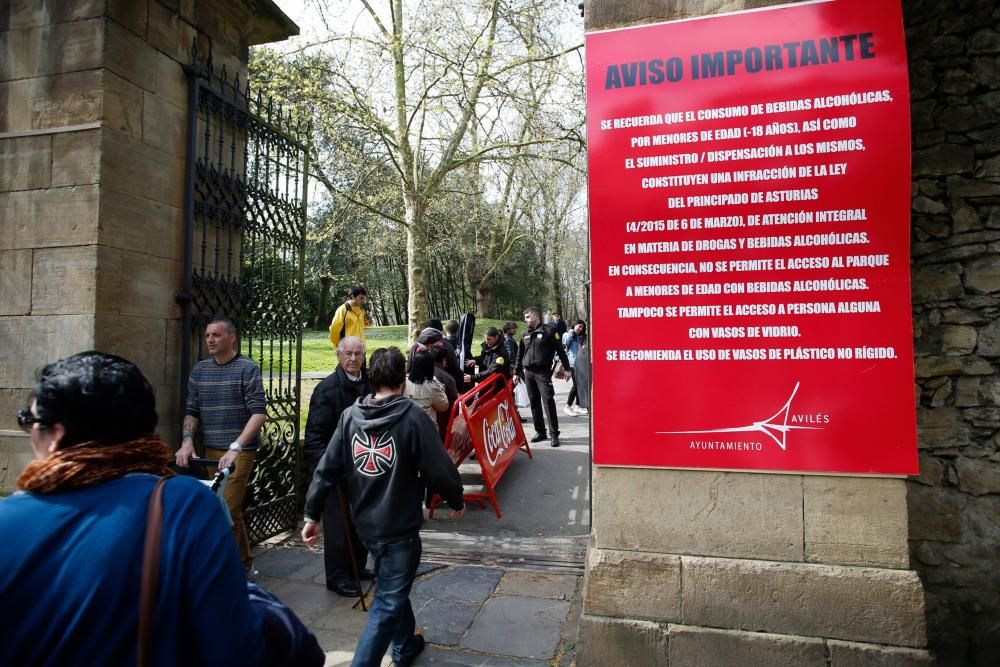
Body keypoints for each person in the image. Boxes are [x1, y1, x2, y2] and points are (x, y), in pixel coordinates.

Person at [0, 351, 322, 666]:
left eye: (29, 420)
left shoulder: (7, 524)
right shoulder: (184, 505)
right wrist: (247, 596)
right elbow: (241, 650)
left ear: (55, 435)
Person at [302, 347, 465, 667]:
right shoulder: (412, 417)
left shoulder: (350, 416)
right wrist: (456, 499)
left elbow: (326, 469)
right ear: (401, 382)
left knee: (392, 583)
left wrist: (311, 514)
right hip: (399, 528)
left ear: (371, 377)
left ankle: (404, 646)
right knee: (387, 602)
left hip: (365, 526)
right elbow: (440, 468)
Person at [176, 318, 266, 575]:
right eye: (207, 336)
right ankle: (245, 564)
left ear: (232, 338)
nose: (210, 340)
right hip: (210, 452)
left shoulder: (247, 368)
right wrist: (186, 441)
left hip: (239, 452)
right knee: (229, 510)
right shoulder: (200, 371)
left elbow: (258, 413)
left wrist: (236, 447)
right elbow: (191, 410)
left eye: (216, 335)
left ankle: (226, 574)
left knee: (225, 509)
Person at [304, 336, 371, 596]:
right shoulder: (327, 389)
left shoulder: (369, 385)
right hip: (336, 469)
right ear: (339, 356)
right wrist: (328, 470)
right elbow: (315, 437)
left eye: (358, 354)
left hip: (363, 468)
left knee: (361, 522)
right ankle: (337, 576)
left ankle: (357, 567)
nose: (353, 359)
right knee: (338, 527)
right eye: (348, 354)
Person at [515, 307, 571, 447]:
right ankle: (540, 431)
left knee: (548, 401)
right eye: (525, 317)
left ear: (536, 316)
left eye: (527, 316)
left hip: (543, 372)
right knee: (534, 403)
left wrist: (567, 369)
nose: (525, 319)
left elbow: (561, 351)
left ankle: (554, 434)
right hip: (528, 372)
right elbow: (519, 354)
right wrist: (516, 372)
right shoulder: (525, 333)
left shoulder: (549, 331)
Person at [404, 347, 449, 424]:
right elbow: (443, 406)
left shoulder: (403, 382)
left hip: (406, 424)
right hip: (426, 428)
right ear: (430, 367)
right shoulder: (432, 385)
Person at [562, 320, 588, 416]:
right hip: (572, 364)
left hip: (581, 364)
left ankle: (578, 406)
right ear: (574, 325)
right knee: (576, 385)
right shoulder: (567, 335)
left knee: (580, 385)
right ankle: (567, 406)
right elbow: (565, 343)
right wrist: (572, 331)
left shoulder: (581, 337)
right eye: (579, 326)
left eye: (582, 327)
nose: (580, 328)